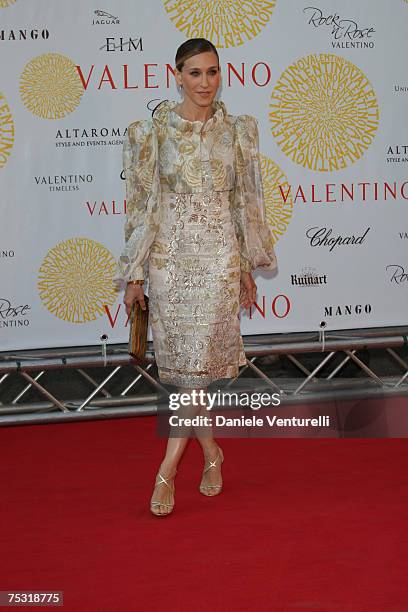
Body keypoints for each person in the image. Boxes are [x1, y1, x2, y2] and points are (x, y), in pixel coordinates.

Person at [113, 38, 277, 516]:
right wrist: (135, 273)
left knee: (193, 378)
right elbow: (140, 207)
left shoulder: (239, 131)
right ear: (177, 74)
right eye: (195, 73)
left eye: (212, 72)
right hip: (169, 260)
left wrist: (247, 263)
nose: (205, 83)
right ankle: (209, 454)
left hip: (219, 261)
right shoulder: (151, 132)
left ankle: (167, 471)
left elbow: (246, 201)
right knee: (189, 376)